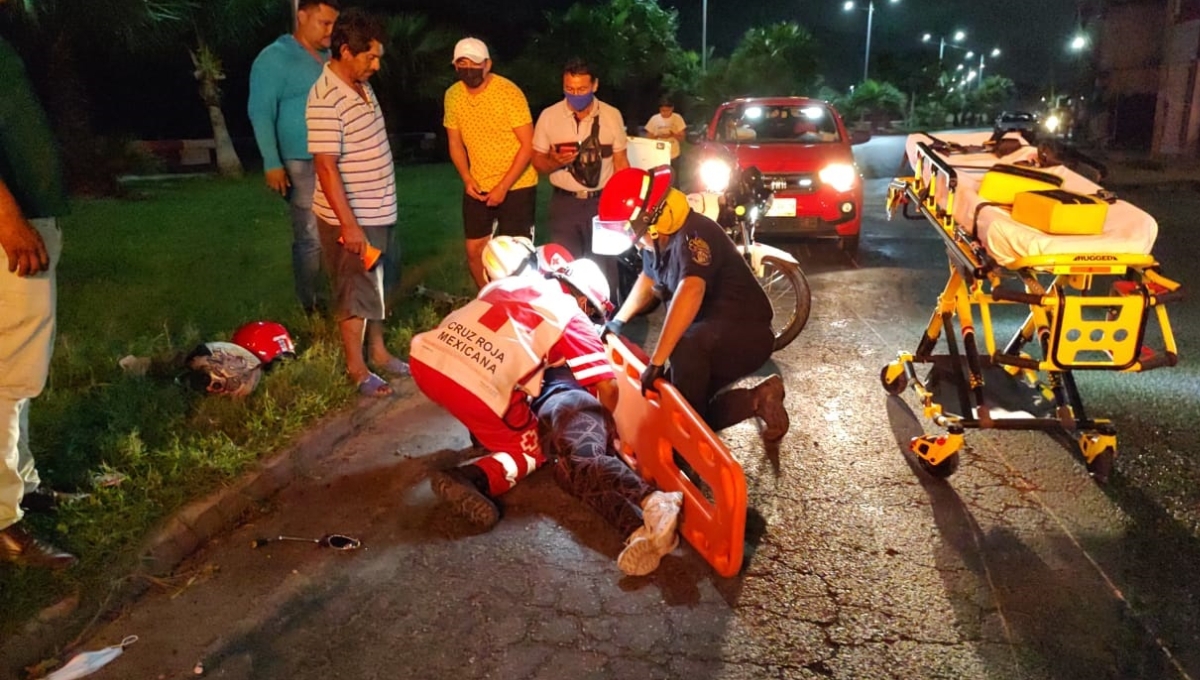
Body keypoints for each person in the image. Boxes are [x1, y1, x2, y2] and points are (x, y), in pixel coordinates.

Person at [409, 237, 683, 575]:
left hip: (427, 362)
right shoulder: (570, 314)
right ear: (584, 300)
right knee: (538, 449)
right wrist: (608, 429)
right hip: (479, 387)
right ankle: (654, 501)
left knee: (566, 466)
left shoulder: (509, 284)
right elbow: (607, 385)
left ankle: (638, 531)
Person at [597, 165, 790, 442]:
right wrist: (618, 320)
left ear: (654, 220)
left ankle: (683, 454)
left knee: (682, 385)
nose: (636, 244)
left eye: (634, 233)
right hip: (710, 337)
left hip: (743, 337)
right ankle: (759, 399)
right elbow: (649, 278)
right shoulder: (657, 241)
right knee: (684, 405)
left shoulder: (696, 234)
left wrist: (657, 360)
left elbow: (691, 289)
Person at [0, 22, 77, 569]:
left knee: (20, 370)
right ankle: (4, 520)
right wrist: (7, 218)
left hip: (28, 215)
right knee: (6, 372)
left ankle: (22, 484)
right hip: (11, 224)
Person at [306, 8, 407, 397]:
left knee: (376, 285)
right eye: (370, 57)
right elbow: (326, 167)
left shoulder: (361, 84)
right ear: (346, 51)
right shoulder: (325, 97)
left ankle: (378, 353)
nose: (376, 65)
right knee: (354, 291)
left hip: (378, 211)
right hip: (353, 218)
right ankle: (356, 368)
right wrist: (348, 225)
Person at [248, 0, 341, 314]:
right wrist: (272, 162)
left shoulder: (332, 57)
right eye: (324, 23)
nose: (330, 31)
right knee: (310, 233)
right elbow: (260, 112)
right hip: (300, 161)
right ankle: (310, 302)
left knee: (342, 229)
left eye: (333, 24)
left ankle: (343, 294)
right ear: (302, 16)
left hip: (336, 158)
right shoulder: (274, 58)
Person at [443, 37, 538, 290]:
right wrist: (466, 178)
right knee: (475, 250)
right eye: (462, 64)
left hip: (516, 184)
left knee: (515, 254)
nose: (468, 70)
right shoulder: (452, 96)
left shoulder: (508, 93)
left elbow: (528, 145)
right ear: (455, 66)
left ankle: (519, 303)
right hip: (478, 184)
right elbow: (455, 142)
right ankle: (486, 299)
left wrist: (503, 187)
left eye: (474, 64)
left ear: (487, 64)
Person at [532, 58, 629, 300]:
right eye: (570, 89)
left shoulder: (611, 115)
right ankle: (572, 323)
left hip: (603, 203)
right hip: (565, 205)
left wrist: (624, 206)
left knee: (605, 267)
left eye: (582, 89)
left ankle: (607, 324)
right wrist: (556, 161)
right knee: (565, 266)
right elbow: (538, 163)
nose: (575, 95)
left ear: (595, 85)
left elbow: (621, 163)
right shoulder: (549, 116)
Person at [643, 96, 686, 173]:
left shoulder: (677, 118)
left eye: (667, 110)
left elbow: (682, 138)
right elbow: (648, 138)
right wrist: (658, 136)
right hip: (658, 155)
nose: (665, 113)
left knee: (673, 178)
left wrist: (673, 135)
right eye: (663, 110)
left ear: (672, 108)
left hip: (673, 154)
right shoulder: (654, 119)